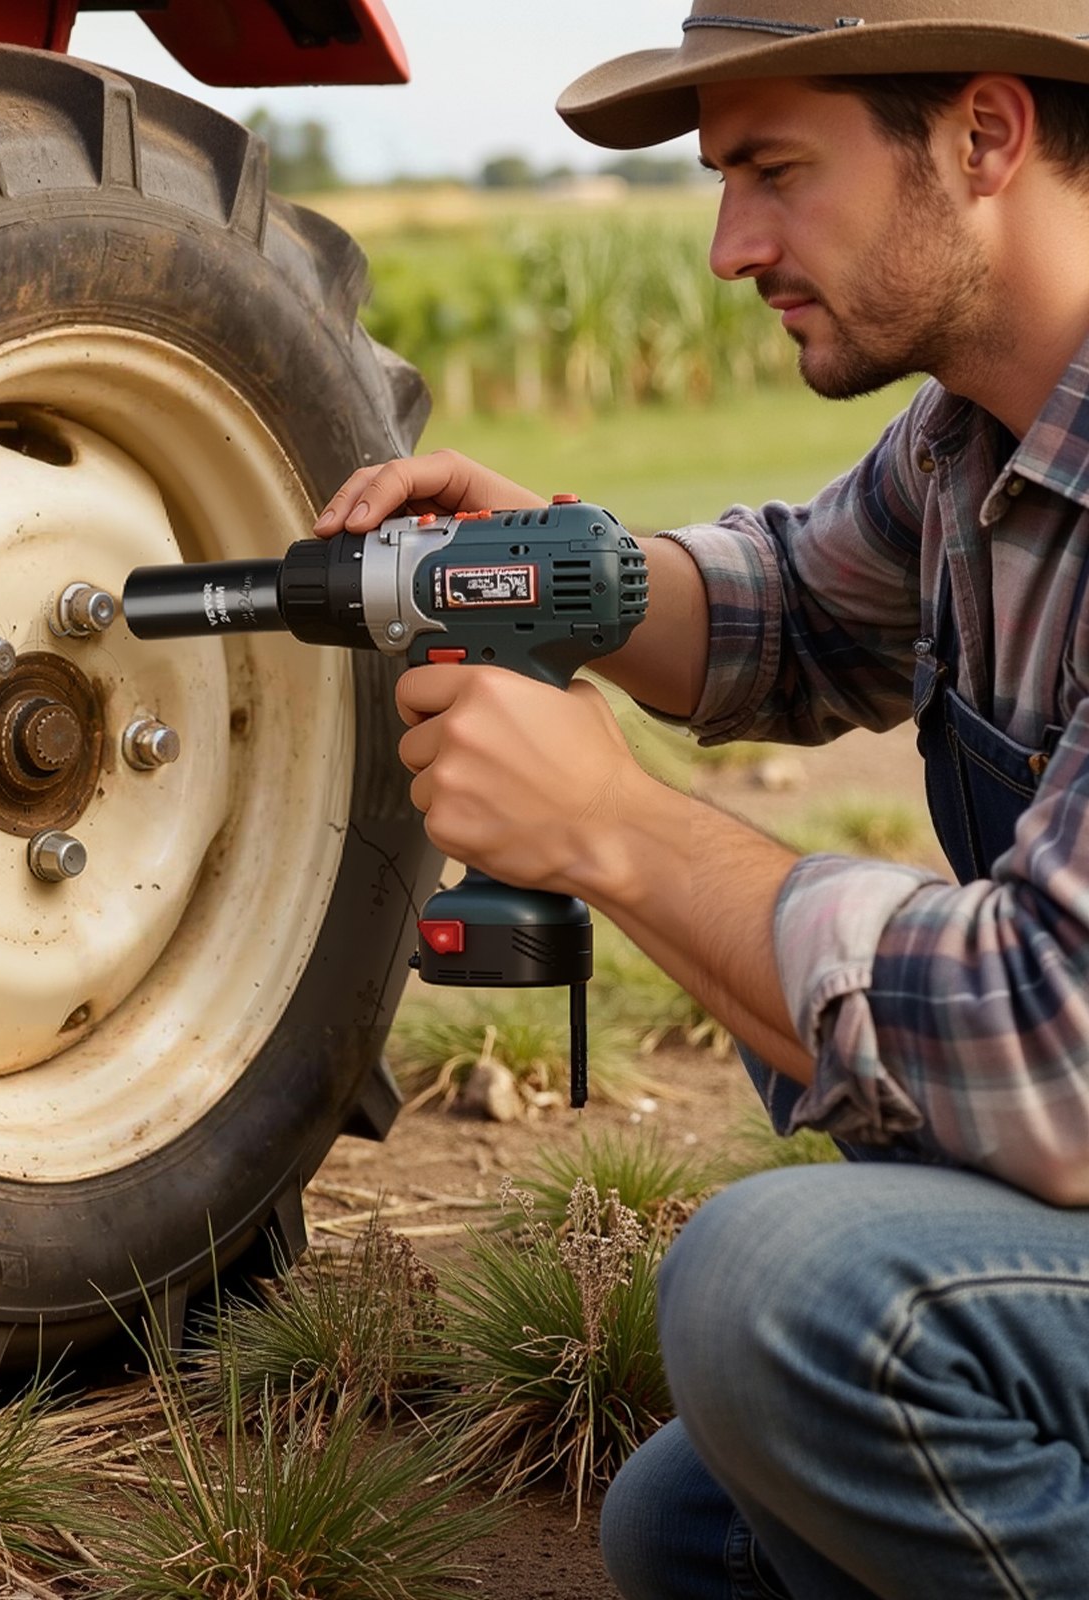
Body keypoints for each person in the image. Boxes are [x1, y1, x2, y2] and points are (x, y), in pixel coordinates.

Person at [314, 3, 1089, 1595]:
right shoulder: (966, 447)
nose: (732, 246)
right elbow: (796, 607)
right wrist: (563, 567)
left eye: (774, 171)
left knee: (783, 1294)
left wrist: (612, 828)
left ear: (986, 138)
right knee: (690, 1526)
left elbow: (1050, 1049)